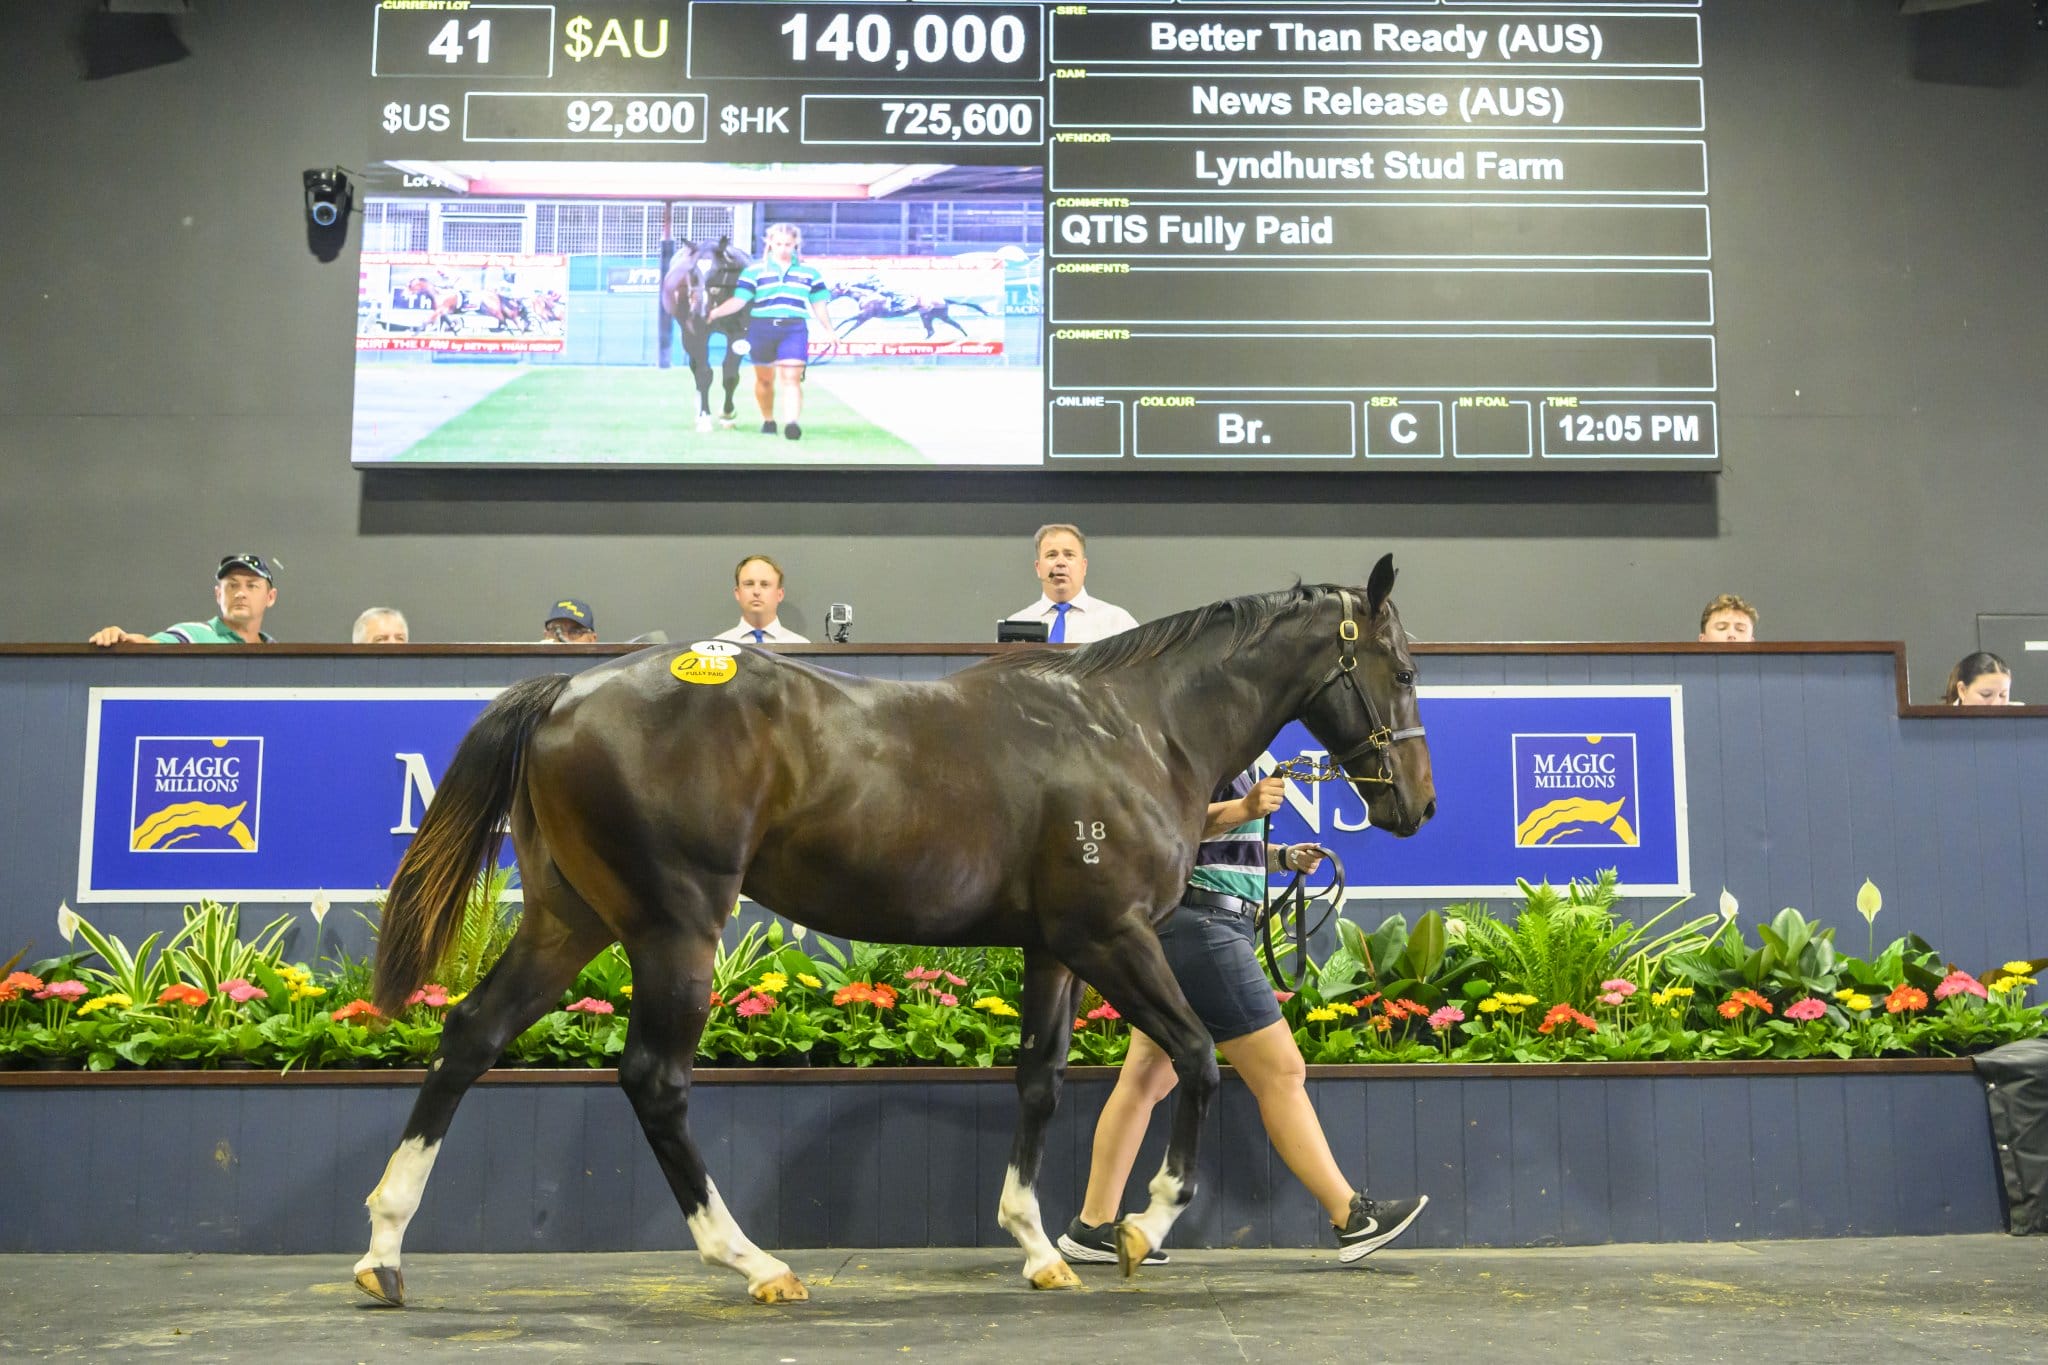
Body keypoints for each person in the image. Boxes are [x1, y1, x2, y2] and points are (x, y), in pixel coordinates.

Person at [1060, 771, 1429, 1268]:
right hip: (1205, 929)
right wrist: (1244, 809)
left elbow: (1215, 846)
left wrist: (1280, 859)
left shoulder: (1231, 754)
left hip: (1192, 925)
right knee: (1281, 1073)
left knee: (1146, 1078)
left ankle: (1092, 1225)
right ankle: (1351, 1216)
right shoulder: (1201, 746)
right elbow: (1165, 822)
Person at [706, 223, 834, 442]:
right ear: (770, 244)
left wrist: (830, 331)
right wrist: (715, 313)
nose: (783, 248)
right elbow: (739, 300)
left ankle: (792, 424)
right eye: (778, 244)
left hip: (794, 328)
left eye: (788, 244)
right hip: (761, 329)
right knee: (764, 380)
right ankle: (768, 420)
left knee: (791, 377)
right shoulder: (754, 271)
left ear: (796, 245)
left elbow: (818, 304)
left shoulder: (809, 273)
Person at [89, 553, 278, 646]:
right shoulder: (192, 636)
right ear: (218, 594)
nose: (240, 593)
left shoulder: (278, 653)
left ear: (270, 597)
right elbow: (150, 645)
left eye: (251, 585)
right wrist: (121, 638)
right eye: (232, 585)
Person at [1008, 524, 1140, 644]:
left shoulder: (1117, 622)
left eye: (1069, 555)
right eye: (1051, 555)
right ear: (1038, 568)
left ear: (1084, 567)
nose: (1060, 562)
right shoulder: (1016, 625)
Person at [714, 555, 808, 644]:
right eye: (749, 584)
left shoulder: (803, 647)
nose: (756, 591)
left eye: (765, 584)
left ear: (780, 594)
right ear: (737, 593)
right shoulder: (716, 650)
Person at [1946, 651, 2016, 705]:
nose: (1996, 703)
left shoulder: (2021, 718)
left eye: (2003, 695)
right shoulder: (1941, 721)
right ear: (1962, 691)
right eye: (1986, 695)